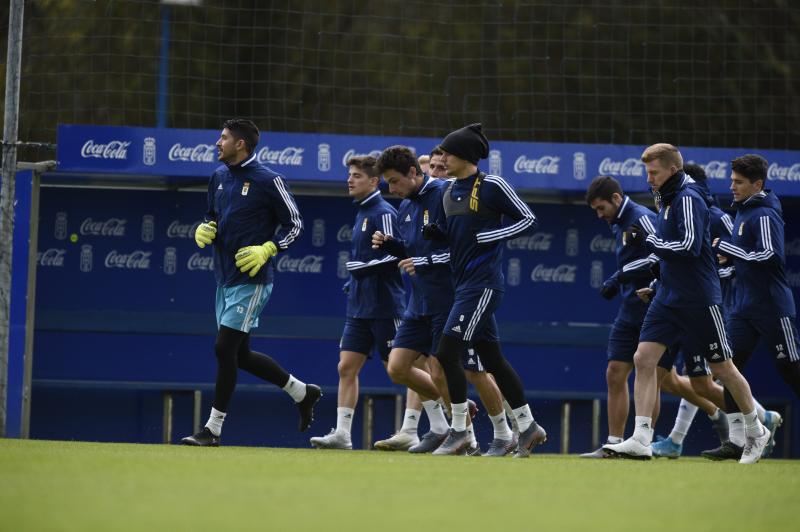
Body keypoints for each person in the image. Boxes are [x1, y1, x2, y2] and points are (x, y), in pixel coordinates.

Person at [602, 143, 769, 464]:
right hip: (667, 296)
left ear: (672, 170)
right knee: (643, 358)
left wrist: (651, 241)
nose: (649, 178)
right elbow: (669, 249)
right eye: (647, 172)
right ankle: (641, 437)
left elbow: (690, 246)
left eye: (654, 172)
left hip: (699, 298)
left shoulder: (688, 197)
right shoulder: (665, 197)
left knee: (722, 368)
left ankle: (756, 429)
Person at [181, 118, 321, 446]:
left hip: (254, 278)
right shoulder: (217, 177)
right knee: (240, 356)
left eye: (224, 138)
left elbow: (296, 225)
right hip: (224, 277)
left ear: (240, 144)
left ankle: (212, 430)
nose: (218, 142)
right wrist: (204, 227)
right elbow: (211, 216)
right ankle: (302, 393)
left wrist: (269, 247)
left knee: (223, 348)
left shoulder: (269, 180)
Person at [373, 145, 516, 456]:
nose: (392, 190)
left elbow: (460, 250)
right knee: (397, 367)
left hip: (453, 299)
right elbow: (416, 250)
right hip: (419, 302)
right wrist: (392, 246)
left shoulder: (444, 196)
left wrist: (423, 262)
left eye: (395, 182)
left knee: (471, 371)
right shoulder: (406, 207)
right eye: (388, 184)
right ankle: (446, 425)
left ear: (414, 173)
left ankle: (501, 433)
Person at [424, 123, 547, 457]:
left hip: (483, 286)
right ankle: (528, 426)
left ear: (465, 155)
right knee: (492, 359)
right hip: (463, 285)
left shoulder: (492, 184)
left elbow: (528, 219)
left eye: (448, 153)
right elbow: (457, 236)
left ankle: (460, 430)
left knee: (447, 353)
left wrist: (488, 236)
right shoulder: (448, 191)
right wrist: (438, 234)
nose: (442, 158)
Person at [702, 154, 798, 460]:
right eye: (732, 180)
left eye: (739, 182)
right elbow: (744, 258)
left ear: (757, 184)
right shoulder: (743, 211)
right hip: (743, 308)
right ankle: (737, 441)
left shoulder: (765, 214)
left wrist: (727, 248)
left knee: (792, 370)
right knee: (729, 370)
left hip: (772, 307)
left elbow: (770, 256)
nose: (732, 186)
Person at [309, 156, 405, 450]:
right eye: (349, 175)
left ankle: (444, 422)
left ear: (374, 182)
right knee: (346, 366)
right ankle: (343, 434)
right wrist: (354, 281)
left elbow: (398, 255)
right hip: (359, 308)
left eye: (357, 176)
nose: (350, 180)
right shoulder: (361, 212)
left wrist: (362, 269)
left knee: (399, 369)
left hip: (386, 306)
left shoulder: (384, 211)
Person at [580, 176, 658, 458]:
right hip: (629, 307)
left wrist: (620, 275)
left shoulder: (643, 218)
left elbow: (661, 254)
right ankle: (614, 443)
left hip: (653, 306)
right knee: (615, 372)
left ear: (616, 198)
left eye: (601, 208)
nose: (600, 216)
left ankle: (643, 441)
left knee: (652, 374)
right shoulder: (618, 223)